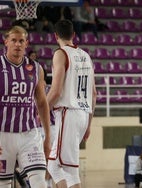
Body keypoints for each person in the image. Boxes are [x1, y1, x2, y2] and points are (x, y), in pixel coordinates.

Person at [47, 19, 97, 188]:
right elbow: (94, 94)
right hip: (83, 114)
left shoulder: (60, 54)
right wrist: (89, 125)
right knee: (54, 166)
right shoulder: (86, 55)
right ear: (74, 35)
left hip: (69, 113)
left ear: (55, 36)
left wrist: (38, 109)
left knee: (69, 171)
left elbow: (56, 91)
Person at [0, 25, 51, 187]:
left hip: (29, 134)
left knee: (39, 183)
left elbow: (42, 103)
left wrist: (48, 138)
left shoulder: (36, 68)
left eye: (21, 41)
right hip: (2, 135)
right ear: (6, 42)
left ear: (26, 44)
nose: (17, 44)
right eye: (13, 40)